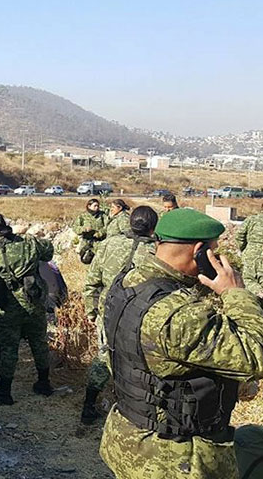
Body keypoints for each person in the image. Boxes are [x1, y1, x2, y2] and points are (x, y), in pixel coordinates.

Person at [99, 208, 263, 479]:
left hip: (129, 436)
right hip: (174, 458)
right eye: (214, 252)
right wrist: (236, 293)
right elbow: (256, 355)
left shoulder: (128, 282)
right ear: (199, 251)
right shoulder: (178, 314)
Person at [80, 205, 158, 424]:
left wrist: (91, 309)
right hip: (143, 314)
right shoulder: (156, 251)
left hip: (108, 310)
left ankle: (88, 405)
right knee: (140, 361)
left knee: (104, 355)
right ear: (153, 227)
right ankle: (132, 410)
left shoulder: (108, 244)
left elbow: (92, 280)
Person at [0, 213, 55, 406]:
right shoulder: (29, 243)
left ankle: (5, 391)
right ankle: (44, 383)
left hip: (8, 307)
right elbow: (49, 252)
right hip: (34, 302)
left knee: (9, 348)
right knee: (39, 342)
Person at [73, 198, 107, 264]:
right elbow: (75, 227)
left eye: (98, 206)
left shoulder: (102, 215)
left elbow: (107, 226)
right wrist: (84, 229)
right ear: (89, 206)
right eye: (95, 206)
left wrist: (100, 233)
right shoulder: (83, 216)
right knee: (86, 261)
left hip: (99, 242)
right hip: (86, 242)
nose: (97, 208)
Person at [237, 205, 263, 285]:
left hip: (251, 255)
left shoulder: (252, 220)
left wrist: (243, 249)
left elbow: (240, 236)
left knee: (248, 280)